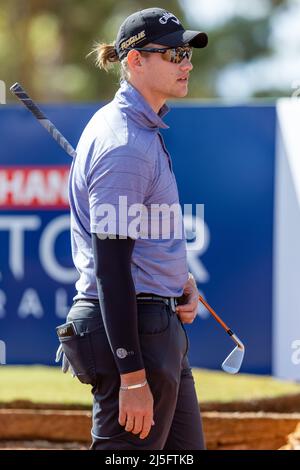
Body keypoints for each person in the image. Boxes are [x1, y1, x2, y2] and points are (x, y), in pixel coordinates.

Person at [56, 7, 208, 450]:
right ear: (135, 61)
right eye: (175, 54)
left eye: (187, 54)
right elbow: (111, 270)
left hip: (155, 322)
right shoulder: (124, 144)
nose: (187, 63)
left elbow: (144, 234)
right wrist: (133, 377)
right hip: (135, 335)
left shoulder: (139, 132)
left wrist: (177, 278)